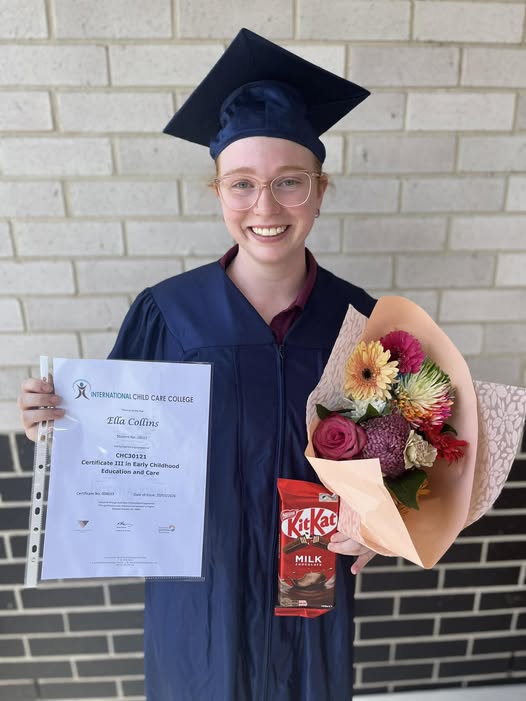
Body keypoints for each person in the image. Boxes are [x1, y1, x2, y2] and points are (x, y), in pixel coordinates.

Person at [19, 29, 377, 701]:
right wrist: (56, 428)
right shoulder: (168, 312)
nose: (265, 207)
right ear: (218, 191)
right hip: (198, 568)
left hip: (307, 554)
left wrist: (383, 526)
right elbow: (112, 440)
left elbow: (391, 457)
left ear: (320, 192)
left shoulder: (361, 320)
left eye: (289, 183)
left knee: (305, 686)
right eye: (242, 184)